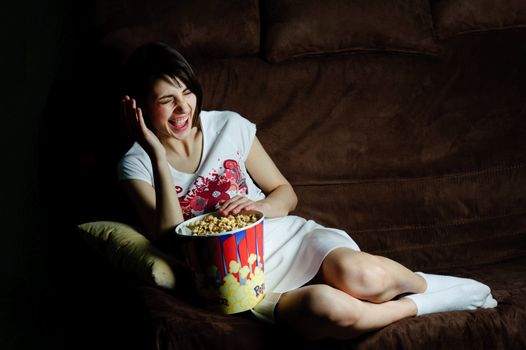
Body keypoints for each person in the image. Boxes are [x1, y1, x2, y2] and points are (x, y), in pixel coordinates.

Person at [117, 42, 497, 340]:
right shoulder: (136, 163)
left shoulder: (228, 126)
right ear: (139, 107)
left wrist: (259, 207)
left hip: (287, 239)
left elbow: (286, 192)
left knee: (363, 278)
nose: (183, 107)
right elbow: (168, 239)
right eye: (166, 100)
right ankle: (432, 302)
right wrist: (154, 151)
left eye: (187, 92)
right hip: (243, 282)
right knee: (333, 310)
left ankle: (429, 284)